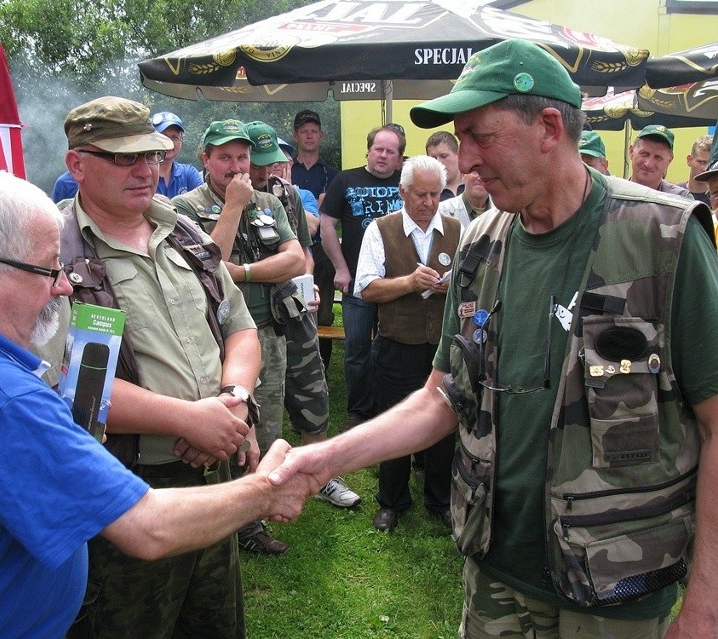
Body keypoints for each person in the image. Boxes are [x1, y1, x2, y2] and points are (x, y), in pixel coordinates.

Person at [270, 38, 718, 638]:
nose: (466, 161)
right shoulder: (481, 241)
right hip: (494, 573)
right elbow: (443, 394)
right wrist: (322, 458)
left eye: (482, 137)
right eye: (462, 140)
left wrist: (706, 606)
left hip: (616, 588)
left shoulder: (663, 238)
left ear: (550, 126)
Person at [0, 167, 313, 639]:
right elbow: (149, 527)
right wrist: (267, 490)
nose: (63, 286)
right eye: (48, 269)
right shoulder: (1, 400)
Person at [48, 96, 267, 638]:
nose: (146, 169)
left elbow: (240, 327)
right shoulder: (53, 250)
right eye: (124, 158)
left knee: (214, 624)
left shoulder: (184, 233)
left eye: (150, 153)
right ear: (77, 164)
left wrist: (234, 399)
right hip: (124, 487)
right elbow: (71, 386)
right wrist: (189, 420)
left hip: (213, 471)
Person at [173, 119, 306, 555]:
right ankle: (219, 520)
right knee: (226, 427)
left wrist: (246, 273)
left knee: (265, 426)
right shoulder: (184, 208)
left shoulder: (270, 200)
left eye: (242, 157)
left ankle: (251, 520)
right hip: (218, 340)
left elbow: (295, 259)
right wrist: (231, 207)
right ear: (205, 159)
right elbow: (207, 268)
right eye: (225, 157)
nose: (235, 166)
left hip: (268, 329)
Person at [246, 120, 361, 509]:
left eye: (272, 163)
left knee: (313, 390)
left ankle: (321, 473)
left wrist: (306, 281)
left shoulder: (289, 195)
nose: (264, 172)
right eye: (256, 163)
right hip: (249, 320)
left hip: (293, 308)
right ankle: (261, 488)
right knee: (260, 404)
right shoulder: (218, 201)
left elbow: (302, 253)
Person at [354, 155, 460, 532]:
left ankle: (440, 499)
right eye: (420, 194)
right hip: (397, 345)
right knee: (394, 424)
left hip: (442, 350)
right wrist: (409, 283)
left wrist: (453, 285)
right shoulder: (379, 230)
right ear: (402, 192)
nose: (429, 202)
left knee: (444, 426)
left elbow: (474, 285)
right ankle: (392, 501)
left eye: (435, 194)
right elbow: (366, 288)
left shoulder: (456, 229)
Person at [320, 125, 404, 429]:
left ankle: (388, 409)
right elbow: (326, 225)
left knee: (393, 348)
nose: (383, 155)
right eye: (378, 148)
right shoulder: (345, 180)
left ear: (399, 158)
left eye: (390, 151)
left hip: (397, 285)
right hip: (356, 282)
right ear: (368, 150)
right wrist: (341, 268)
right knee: (356, 350)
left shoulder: (407, 183)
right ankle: (358, 411)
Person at [291, 109, 340, 369]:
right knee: (290, 306)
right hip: (290, 248)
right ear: (295, 135)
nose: (309, 136)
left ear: (321, 135)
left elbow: (336, 215)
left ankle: (322, 367)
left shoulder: (333, 175)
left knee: (322, 309)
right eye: (304, 131)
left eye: (314, 131)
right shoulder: (286, 168)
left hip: (322, 250)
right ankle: (293, 365)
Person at [628, 125, 692, 198]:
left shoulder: (681, 199)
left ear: (669, 161)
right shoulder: (613, 194)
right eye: (644, 154)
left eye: (658, 158)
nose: (648, 164)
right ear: (631, 151)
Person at [151, 111, 204, 198]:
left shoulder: (188, 174)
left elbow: (201, 204)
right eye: (163, 137)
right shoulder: (143, 174)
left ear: (181, 142)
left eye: (174, 137)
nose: (169, 142)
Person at [425, 131, 464, 200]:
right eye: (433, 158)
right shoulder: (427, 195)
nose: (438, 162)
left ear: (458, 154)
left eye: (443, 156)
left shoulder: (475, 185)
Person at [678, 135, 712, 205]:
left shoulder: (715, 198)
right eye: (701, 162)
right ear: (689, 160)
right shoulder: (674, 193)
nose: (705, 169)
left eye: (711, 164)